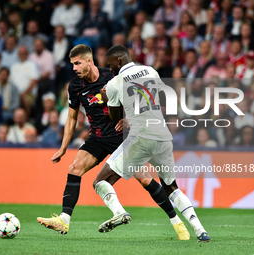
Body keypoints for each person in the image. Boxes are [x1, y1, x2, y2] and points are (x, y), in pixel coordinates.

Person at [36, 45, 189, 240]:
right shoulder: (74, 87)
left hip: (121, 137)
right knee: (74, 168)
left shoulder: (113, 76)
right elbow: (72, 118)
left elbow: (139, 97)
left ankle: (177, 222)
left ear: (89, 61)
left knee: (145, 179)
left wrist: (129, 119)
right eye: (72, 64)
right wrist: (63, 147)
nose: (74, 68)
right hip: (97, 137)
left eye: (77, 63)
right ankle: (64, 220)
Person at [92, 45, 210, 242]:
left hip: (140, 137)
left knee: (101, 181)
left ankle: (119, 212)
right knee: (171, 187)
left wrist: (106, 99)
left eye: (110, 64)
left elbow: (114, 118)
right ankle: (201, 231)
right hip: (163, 136)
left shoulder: (114, 83)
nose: (110, 69)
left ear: (119, 61)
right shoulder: (151, 71)